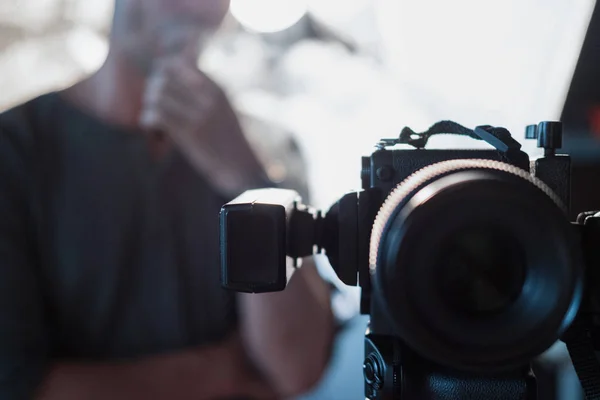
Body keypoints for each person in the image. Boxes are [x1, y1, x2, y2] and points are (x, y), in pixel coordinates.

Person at [0, 0, 336, 399]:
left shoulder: (264, 147)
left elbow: (297, 368)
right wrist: (224, 370)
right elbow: (20, 384)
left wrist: (245, 177)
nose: (193, 6)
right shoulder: (15, 152)